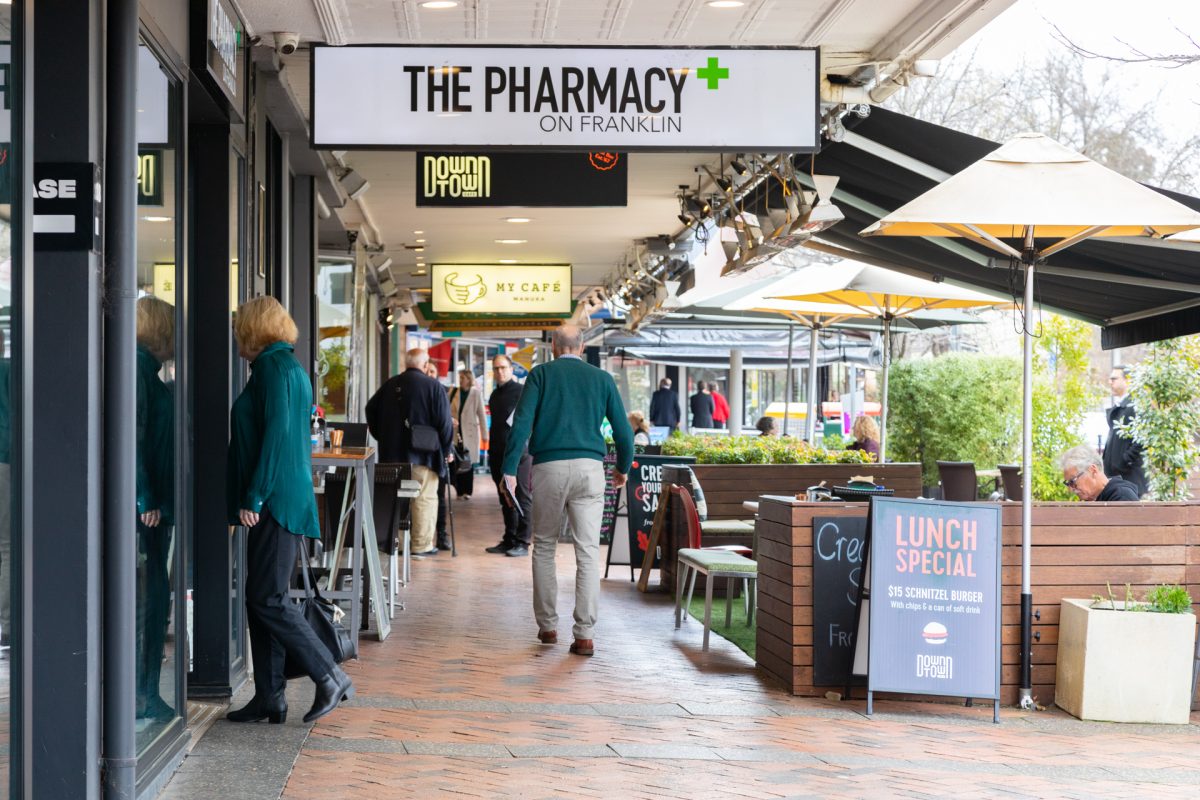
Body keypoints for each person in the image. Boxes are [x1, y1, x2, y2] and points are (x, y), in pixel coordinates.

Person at [226, 296, 353, 726]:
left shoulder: (273, 369)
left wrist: (254, 497)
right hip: (282, 497)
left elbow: (277, 438)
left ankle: (329, 673)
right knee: (261, 597)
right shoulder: (285, 367)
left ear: (253, 328)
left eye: (238, 325)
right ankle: (270, 696)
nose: (234, 331)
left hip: (275, 500)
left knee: (267, 597)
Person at [503, 325, 634, 657]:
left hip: (549, 469)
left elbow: (521, 422)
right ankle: (585, 633)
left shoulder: (541, 375)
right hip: (590, 470)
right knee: (588, 551)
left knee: (545, 546)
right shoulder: (601, 379)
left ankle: (548, 626)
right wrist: (622, 468)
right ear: (582, 346)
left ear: (552, 346)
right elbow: (624, 433)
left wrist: (509, 469)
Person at [366, 348, 454, 557]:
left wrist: (383, 436)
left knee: (395, 498)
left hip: (391, 456)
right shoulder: (434, 387)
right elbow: (445, 423)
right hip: (425, 454)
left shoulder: (390, 385)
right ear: (425, 365)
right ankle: (420, 546)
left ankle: (394, 543)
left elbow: (370, 409)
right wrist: (447, 448)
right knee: (424, 498)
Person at [135, 297, 175, 724]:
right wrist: (145, 497)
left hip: (155, 506)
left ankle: (144, 692)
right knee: (149, 599)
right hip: (148, 510)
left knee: (153, 596)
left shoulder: (145, 372)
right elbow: (134, 439)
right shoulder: (138, 374)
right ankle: (142, 694)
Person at [486, 354, 532, 556]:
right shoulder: (494, 396)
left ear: (512, 369)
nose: (500, 371)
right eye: (496, 368)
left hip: (518, 453)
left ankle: (523, 541)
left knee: (521, 496)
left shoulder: (522, 392)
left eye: (503, 367)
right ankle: (509, 538)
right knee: (504, 498)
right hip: (496, 452)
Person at [1102, 365, 1147, 496]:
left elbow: (1143, 438)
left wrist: (1125, 460)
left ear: (1127, 380)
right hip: (1119, 477)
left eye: (1114, 378)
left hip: (1130, 477)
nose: (1110, 382)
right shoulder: (1121, 405)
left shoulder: (1136, 405)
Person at [423, 360, 452, 550]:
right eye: (428, 370)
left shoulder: (441, 390)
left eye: (433, 371)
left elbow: (445, 422)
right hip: (420, 450)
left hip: (437, 450)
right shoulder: (418, 391)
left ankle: (441, 533)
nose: (430, 373)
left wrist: (447, 450)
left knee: (439, 495)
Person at [449, 369, 488, 499]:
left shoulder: (475, 393)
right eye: (459, 378)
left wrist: (485, 435)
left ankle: (467, 492)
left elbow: (482, 415)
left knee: (467, 462)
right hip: (455, 431)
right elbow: (446, 409)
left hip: (469, 432)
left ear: (469, 379)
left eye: (463, 378)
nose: (460, 380)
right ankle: (459, 491)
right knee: (455, 462)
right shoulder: (453, 391)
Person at [1062, 445, 1140, 501]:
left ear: (1093, 470)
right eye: (1068, 483)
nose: (1070, 489)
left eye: (1072, 481)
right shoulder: (1095, 500)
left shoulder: (1122, 497)